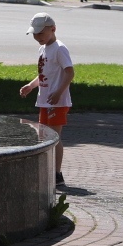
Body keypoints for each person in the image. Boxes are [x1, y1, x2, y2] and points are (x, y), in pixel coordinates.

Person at [19, 12, 73, 188]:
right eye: (35, 34)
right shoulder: (43, 49)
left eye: (41, 33)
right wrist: (31, 85)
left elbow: (69, 72)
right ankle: (48, 171)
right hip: (44, 100)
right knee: (43, 136)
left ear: (53, 29)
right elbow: (44, 72)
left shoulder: (59, 48)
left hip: (57, 102)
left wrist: (58, 92)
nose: (37, 37)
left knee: (53, 137)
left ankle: (57, 174)